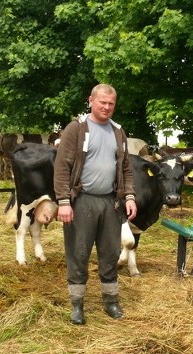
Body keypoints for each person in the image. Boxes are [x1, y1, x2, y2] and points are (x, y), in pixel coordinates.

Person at [54, 83, 137, 325]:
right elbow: (62, 168)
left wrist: (129, 197)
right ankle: (77, 305)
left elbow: (126, 169)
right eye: (102, 102)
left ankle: (111, 301)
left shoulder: (118, 132)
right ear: (90, 101)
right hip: (82, 201)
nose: (107, 107)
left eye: (111, 103)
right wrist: (63, 202)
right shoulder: (76, 130)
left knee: (110, 253)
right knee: (78, 252)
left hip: (111, 203)